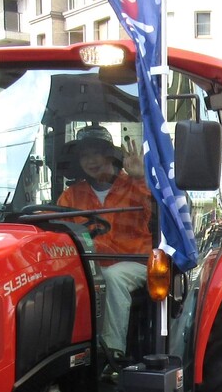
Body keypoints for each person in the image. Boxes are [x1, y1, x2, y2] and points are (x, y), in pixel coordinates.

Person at [57, 125, 152, 366]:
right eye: (85, 155)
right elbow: (59, 233)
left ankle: (111, 356)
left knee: (112, 277)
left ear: (110, 155)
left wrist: (141, 177)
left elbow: (158, 212)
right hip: (89, 267)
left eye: (97, 152)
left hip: (135, 262)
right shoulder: (71, 196)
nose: (91, 160)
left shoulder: (135, 185)